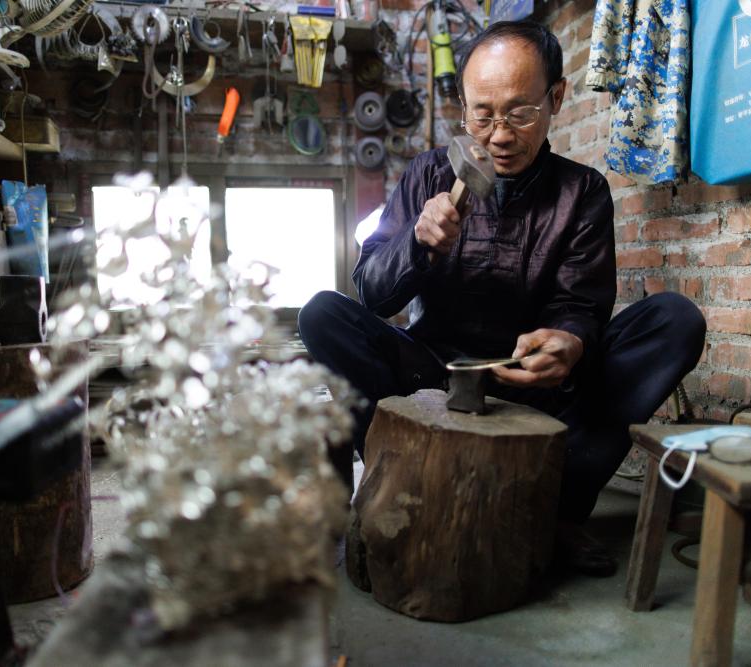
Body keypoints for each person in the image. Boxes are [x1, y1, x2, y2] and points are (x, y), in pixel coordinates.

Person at [298, 20, 706, 575]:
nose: (499, 136)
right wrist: (417, 243)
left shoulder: (582, 192)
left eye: (520, 113)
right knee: (322, 314)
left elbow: (580, 305)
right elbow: (370, 292)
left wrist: (569, 341)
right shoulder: (427, 175)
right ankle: (406, 480)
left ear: (556, 98)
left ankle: (558, 506)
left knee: (674, 320)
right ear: (463, 108)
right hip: (431, 378)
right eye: (482, 115)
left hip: (537, 389)